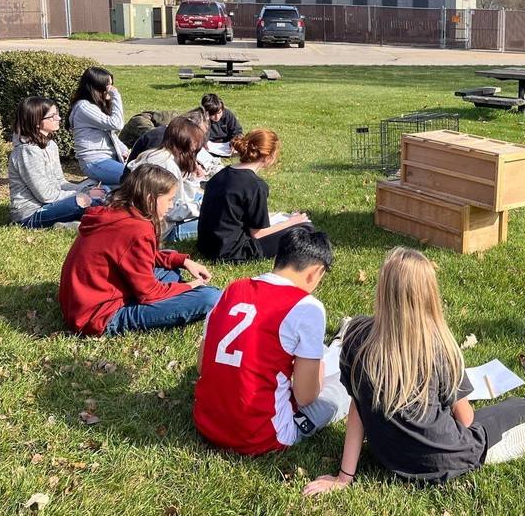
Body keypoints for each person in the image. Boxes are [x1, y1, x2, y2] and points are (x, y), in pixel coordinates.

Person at [302, 248, 525, 495]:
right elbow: (465, 420)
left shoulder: (356, 337)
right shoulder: (438, 347)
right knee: (512, 409)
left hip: (388, 457)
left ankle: (482, 448)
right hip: (442, 457)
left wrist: (344, 477)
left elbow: (358, 407)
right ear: (429, 294)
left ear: (382, 289)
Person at [194, 228, 351, 455]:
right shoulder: (307, 306)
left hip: (207, 421)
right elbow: (306, 396)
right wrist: (317, 369)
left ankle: (337, 344)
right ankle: (343, 346)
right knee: (346, 384)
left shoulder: (233, 288)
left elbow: (202, 365)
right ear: (315, 272)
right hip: (262, 434)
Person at [59, 164, 221, 336]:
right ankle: (176, 293)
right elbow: (149, 294)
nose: (172, 205)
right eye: (169, 199)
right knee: (210, 297)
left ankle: (172, 289)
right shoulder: (138, 230)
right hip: (98, 315)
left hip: (83, 303)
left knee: (170, 257)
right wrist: (190, 286)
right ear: (151, 199)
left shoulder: (119, 213)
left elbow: (142, 255)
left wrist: (184, 261)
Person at [197, 129, 311, 262]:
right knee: (305, 228)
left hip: (206, 246)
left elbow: (232, 214)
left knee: (284, 220)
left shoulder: (222, 174)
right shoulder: (255, 186)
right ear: (268, 157)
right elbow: (258, 234)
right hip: (232, 251)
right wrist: (292, 222)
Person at [7, 96, 108, 228]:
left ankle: (73, 222)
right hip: (30, 214)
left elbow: (60, 182)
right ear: (37, 122)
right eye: (52, 116)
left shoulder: (51, 145)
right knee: (84, 200)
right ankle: (88, 220)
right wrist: (84, 193)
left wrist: (85, 188)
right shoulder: (26, 152)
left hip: (52, 204)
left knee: (103, 191)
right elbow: (45, 195)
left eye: (58, 114)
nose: (59, 118)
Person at [125, 117, 206, 242]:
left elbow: (181, 199)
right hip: (161, 229)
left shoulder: (152, 154)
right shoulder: (168, 166)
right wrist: (202, 208)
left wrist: (193, 179)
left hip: (141, 221)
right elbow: (171, 211)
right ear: (185, 142)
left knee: (200, 200)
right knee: (214, 219)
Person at [69, 66, 128, 186]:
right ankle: (88, 187)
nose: (111, 89)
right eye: (108, 86)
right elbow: (117, 124)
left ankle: (101, 189)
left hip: (109, 159)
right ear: (97, 87)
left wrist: (124, 150)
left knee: (143, 174)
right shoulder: (83, 107)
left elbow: (110, 134)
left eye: (112, 85)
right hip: (95, 162)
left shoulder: (95, 106)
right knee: (134, 179)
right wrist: (116, 95)